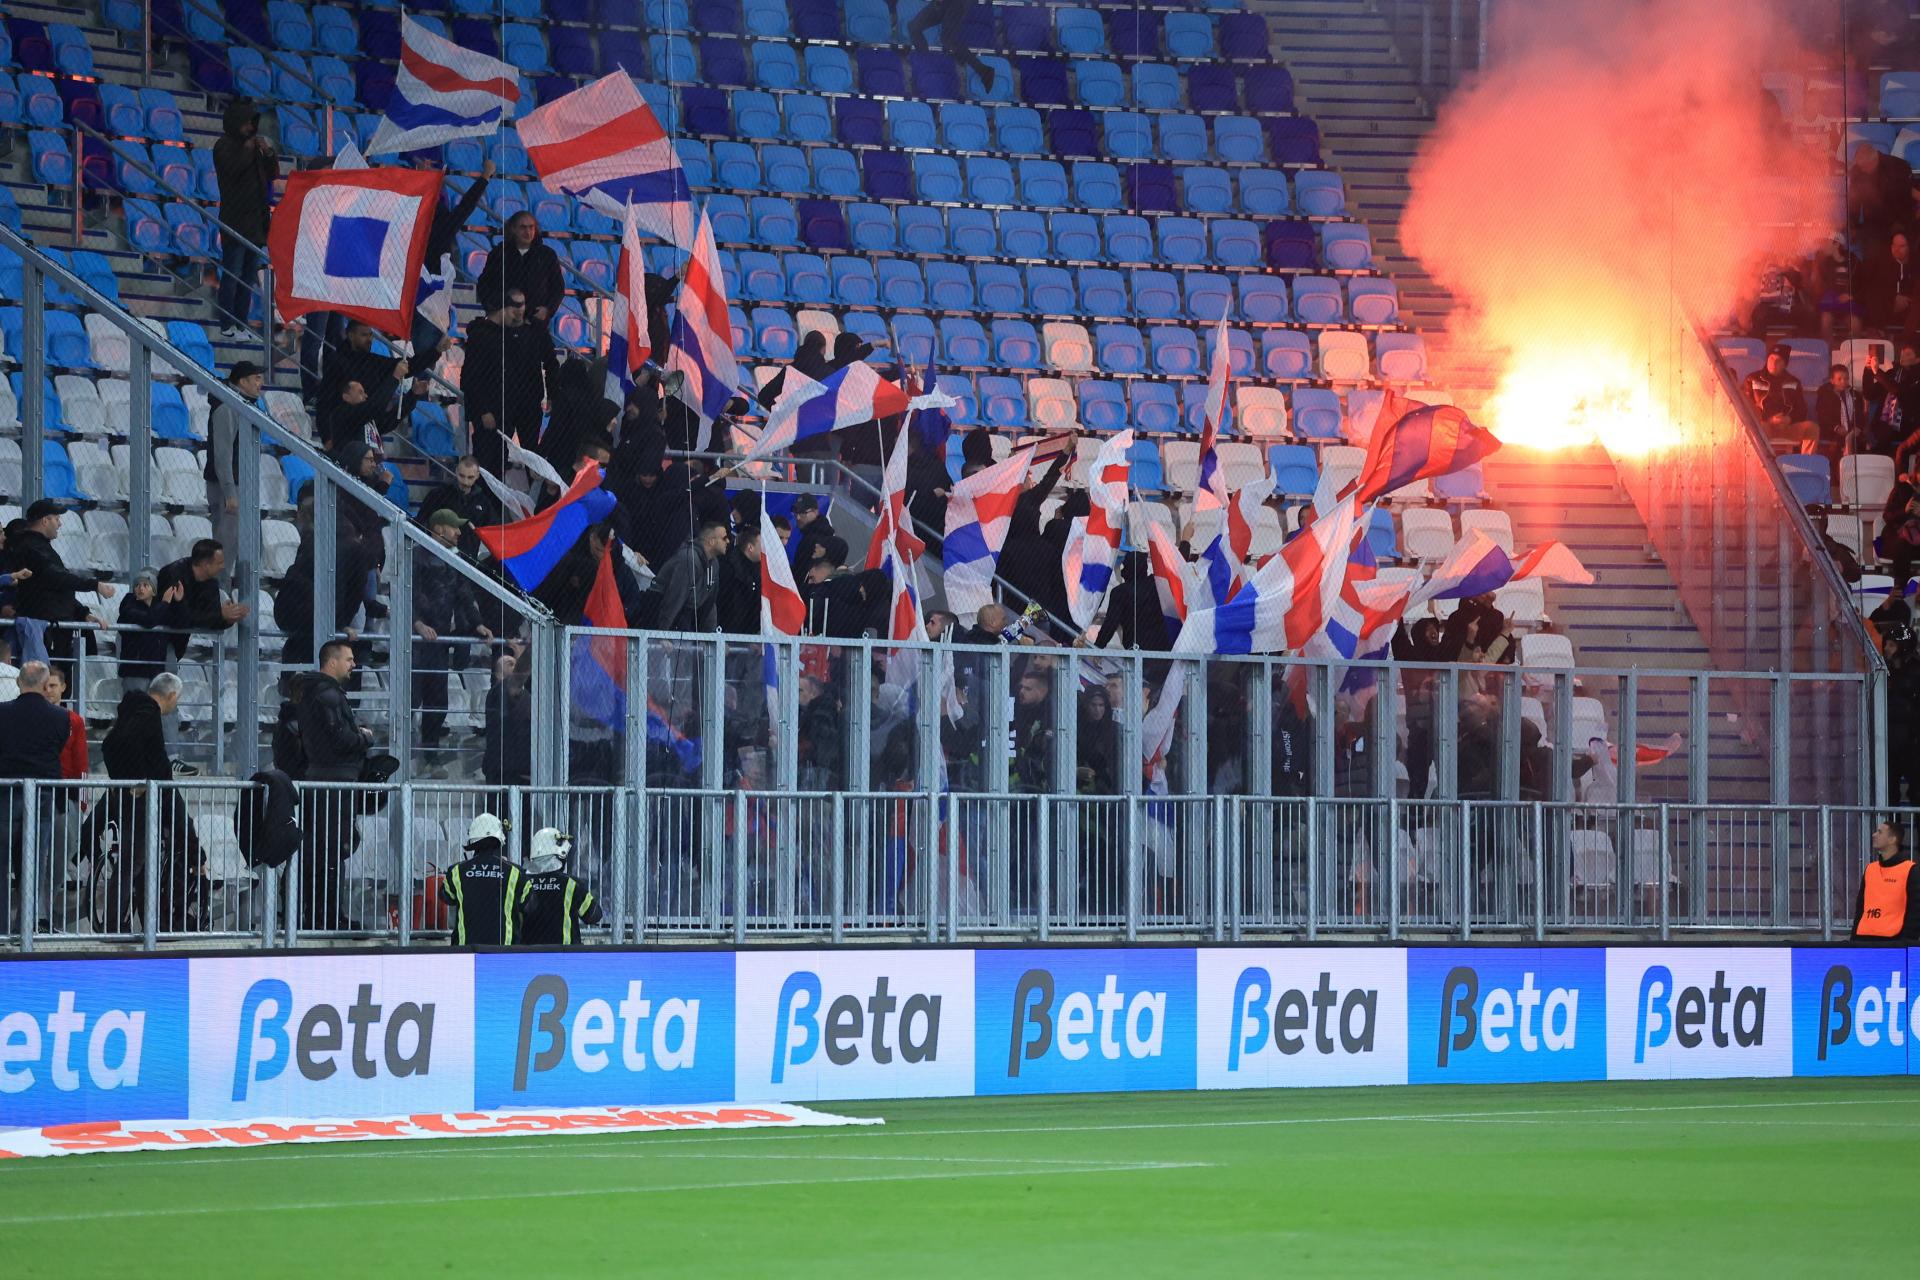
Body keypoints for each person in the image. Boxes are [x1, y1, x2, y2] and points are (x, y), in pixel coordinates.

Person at [98, 672, 207, 932]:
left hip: (137, 799)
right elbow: (148, 759)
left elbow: (110, 745)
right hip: (145, 803)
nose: (175, 705)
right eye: (176, 700)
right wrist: (137, 780)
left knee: (139, 866)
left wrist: (123, 779)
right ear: (170, 696)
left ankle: (143, 924)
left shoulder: (132, 711)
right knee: (130, 865)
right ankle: (114, 927)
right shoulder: (148, 715)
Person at [2, 500, 115, 678]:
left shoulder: (41, 547)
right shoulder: (32, 547)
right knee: (47, 682)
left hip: (55, 628)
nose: (60, 524)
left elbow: (57, 587)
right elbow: (54, 577)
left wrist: (83, 613)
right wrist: (94, 585)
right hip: (46, 630)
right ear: (44, 521)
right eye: (56, 518)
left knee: (60, 684)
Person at [0, 662, 74, 931]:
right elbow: (58, 747)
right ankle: (25, 929)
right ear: (46, 686)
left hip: (5, 797)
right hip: (41, 798)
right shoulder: (60, 717)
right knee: (32, 866)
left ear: (19, 683)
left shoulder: (2, 713)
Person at [413, 511, 493, 753]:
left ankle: (430, 752)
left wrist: (477, 623)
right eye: (454, 527)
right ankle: (403, 754)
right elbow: (408, 592)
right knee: (412, 696)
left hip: (438, 641)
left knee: (437, 700)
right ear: (439, 529)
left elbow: (464, 594)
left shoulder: (453, 559)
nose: (459, 532)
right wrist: (417, 623)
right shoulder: (416, 556)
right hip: (416, 642)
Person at [461, 291, 557, 476]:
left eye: (522, 308)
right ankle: (490, 502)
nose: (519, 314)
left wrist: (551, 393)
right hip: (497, 407)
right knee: (492, 460)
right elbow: (470, 377)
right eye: (515, 310)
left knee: (531, 456)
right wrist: (483, 409)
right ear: (503, 309)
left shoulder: (532, 331)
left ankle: (535, 501)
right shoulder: (483, 335)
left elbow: (551, 362)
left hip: (527, 405)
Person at [211, 100, 278, 337]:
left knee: (248, 278)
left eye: (252, 122)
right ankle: (226, 322)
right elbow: (233, 169)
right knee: (233, 273)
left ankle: (241, 323)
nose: (251, 127)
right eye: (247, 122)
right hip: (235, 220)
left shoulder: (253, 148)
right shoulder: (224, 146)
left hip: (256, 223)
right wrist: (249, 149)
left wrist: (268, 153)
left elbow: (271, 174)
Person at [313, 321, 410, 453]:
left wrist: (413, 395)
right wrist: (394, 378)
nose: (365, 396)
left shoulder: (367, 419)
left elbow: (389, 421)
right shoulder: (344, 415)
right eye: (364, 335)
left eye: (371, 335)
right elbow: (374, 406)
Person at [205, 360, 264, 566]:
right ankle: (220, 593)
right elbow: (223, 454)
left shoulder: (243, 405)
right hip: (227, 487)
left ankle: (241, 593)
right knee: (225, 548)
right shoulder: (227, 407)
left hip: (241, 485)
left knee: (250, 545)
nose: (260, 383)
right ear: (242, 381)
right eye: (256, 378)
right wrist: (230, 492)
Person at [156, 540, 250, 659]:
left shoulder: (211, 583)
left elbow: (210, 620)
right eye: (219, 563)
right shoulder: (173, 575)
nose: (223, 567)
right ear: (206, 565)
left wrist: (228, 619)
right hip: (157, 640)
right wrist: (220, 615)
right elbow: (176, 618)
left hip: (178, 644)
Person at [439, 812, 523, 946]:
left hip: (465, 949)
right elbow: (529, 905)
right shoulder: (514, 871)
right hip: (505, 951)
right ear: (498, 839)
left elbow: (447, 897)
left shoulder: (456, 871)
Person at [516, 827, 603, 945]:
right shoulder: (570, 884)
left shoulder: (522, 881)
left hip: (529, 955)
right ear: (560, 854)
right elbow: (594, 916)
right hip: (565, 956)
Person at [475, 211, 565, 323]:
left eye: (531, 227)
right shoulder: (499, 253)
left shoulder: (547, 255)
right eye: (523, 227)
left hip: (534, 322)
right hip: (505, 321)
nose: (528, 232)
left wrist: (547, 310)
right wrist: (494, 308)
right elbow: (484, 283)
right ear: (513, 229)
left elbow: (558, 288)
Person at [415, 455, 503, 557]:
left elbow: (495, 531)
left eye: (470, 477)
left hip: (469, 559)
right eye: (462, 476)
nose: (465, 482)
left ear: (478, 475)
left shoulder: (483, 502)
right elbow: (420, 523)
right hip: (440, 557)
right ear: (456, 471)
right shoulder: (439, 494)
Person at [652, 520, 728, 633]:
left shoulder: (714, 563)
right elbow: (674, 597)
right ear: (712, 541)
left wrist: (712, 636)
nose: (728, 541)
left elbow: (710, 603)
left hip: (685, 614)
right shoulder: (689, 559)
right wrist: (662, 633)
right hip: (658, 610)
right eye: (724, 538)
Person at [907, 0, 996, 94]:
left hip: (957, 3)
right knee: (914, 27)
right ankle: (926, 63)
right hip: (942, 3)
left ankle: (984, 71)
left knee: (948, 39)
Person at [1851, 820, 1920, 940]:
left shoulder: (1910, 870)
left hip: (1893, 940)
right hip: (1864, 938)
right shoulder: (1870, 869)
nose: (1874, 835)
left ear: (1892, 839)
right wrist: (1854, 939)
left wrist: (1906, 942)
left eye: (1880, 832)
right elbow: (1860, 908)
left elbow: (1915, 911)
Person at [1741, 345, 1815, 452]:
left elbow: (1802, 409)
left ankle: (1806, 464)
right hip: (1764, 425)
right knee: (1757, 429)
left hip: (1786, 426)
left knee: (1812, 428)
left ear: (1785, 364)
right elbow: (1746, 408)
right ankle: (1761, 463)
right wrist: (1769, 420)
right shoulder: (1752, 379)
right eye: (1771, 358)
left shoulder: (1794, 381)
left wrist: (1789, 419)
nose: (1774, 363)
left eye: (1778, 360)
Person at [115, 568, 170, 689]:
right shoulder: (129, 605)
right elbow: (148, 621)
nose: (141, 588)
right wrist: (165, 603)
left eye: (146, 585)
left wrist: (179, 601)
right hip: (135, 671)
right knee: (137, 706)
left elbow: (179, 621)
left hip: (156, 671)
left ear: (154, 591)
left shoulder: (159, 607)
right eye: (137, 585)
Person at [1857, 229, 1920, 333]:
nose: (1896, 249)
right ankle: (1877, 332)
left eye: (1901, 246)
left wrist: (1906, 300)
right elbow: (1870, 287)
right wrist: (1893, 298)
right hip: (1885, 307)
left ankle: (1909, 346)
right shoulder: (1880, 263)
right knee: (1873, 294)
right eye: (1894, 245)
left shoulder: (1916, 265)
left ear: (1909, 248)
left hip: (1909, 308)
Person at [1815, 363, 1869, 465]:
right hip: (1832, 431)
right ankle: (1837, 472)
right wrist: (1836, 427)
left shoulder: (1855, 395)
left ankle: (1856, 470)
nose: (1843, 381)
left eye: (1846, 378)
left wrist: (1858, 427)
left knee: (1861, 442)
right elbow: (1822, 416)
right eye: (1839, 379)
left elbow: (1860, 415)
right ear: (1832, 381)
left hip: (1852, 431)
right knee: (1837, 447)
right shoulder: (1825, 395)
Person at [715, 521, 763, 634]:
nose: (765, 549)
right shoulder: (728, 568)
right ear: (750, 547)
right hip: (726, 632)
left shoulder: (758, 571)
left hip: (744, 633)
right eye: (762, 545)